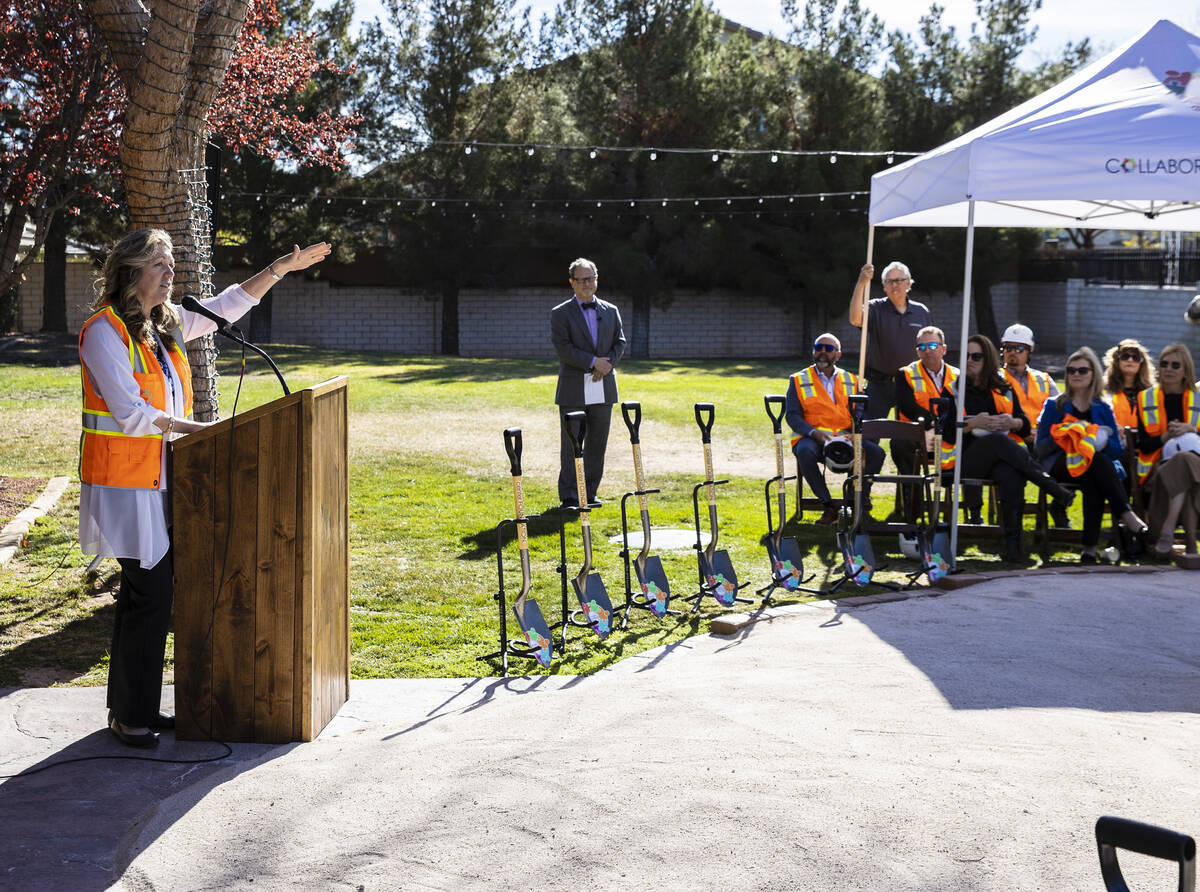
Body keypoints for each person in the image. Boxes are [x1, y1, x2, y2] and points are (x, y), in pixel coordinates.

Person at [79, 229, 331, 748]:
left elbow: (228, 305)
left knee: (141, 595)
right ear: (131, 270)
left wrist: (280, 267)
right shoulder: (103, 332)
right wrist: (209, 434)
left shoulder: (163, 326)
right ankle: (132, 716)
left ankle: (131, 710)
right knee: (152, 593)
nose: (172, 272)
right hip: (126, 485)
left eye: (172, 264)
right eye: (161, 264)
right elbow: (131, 415)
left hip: (166, 478)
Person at [941, 334, 1075, 562]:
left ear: (988, 359)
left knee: (1010, 473)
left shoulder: (1003, 387)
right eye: (966, 356)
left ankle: (1013, 548)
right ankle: (1050, 486)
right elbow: (945, 432)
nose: (970, 360)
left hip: (999, 460)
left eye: (976, 356)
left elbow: (1023, 425)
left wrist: (1011, 422)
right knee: (998, 441)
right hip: (964, 461)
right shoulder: (953, 390)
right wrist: (971, 424)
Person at [1035, 347, 1147, 563]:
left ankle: (1089, 549)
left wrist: (1098, 439)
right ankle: (1127, 516)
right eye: (1071, 370)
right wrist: (1065, 433)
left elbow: (1116, 450)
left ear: (1093, 373)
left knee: (1093, 472)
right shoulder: (1054, 405)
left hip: (1092, 469)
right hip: (1061, 464)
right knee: (1095, 462)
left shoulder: (1103, 408)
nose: (1076, 374)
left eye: (1082, 370)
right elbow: (1039, 450)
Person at [785, 333, 884, 525]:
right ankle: (828, 506)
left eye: (828, 349)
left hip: (846, 437)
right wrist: (814, 433)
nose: (822, 352)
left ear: (838, 355)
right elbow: (792, 415)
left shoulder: (852, 380)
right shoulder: (798, 379)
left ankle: (852, 503)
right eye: (818, 347)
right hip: (812, 438)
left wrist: (855, 434)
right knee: (804, 452)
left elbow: (861, 413)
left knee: (877, 453)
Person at [551, 257, 626, 508]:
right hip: (573, 387)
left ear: (597, 279)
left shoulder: (611, 311)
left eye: (591, 278)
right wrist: (593, 362)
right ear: (572, 283)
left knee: (597, 443)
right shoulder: (560, 313)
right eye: (581, 280)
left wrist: (606, 365)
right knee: (572, 442)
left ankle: (590, 492)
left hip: (603, 385)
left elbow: (620, 343)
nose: (587, 284)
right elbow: (563, 349)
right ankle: (570, 495)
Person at [1001, 323, 1068, 528]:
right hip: (1010, 441)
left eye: (1019, 348)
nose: (1013, 353)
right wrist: (1022, 430)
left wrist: (1041, 433)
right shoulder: (995, 378)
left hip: (1042, 440)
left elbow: (1061, 412)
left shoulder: (1045, 380)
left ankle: (1059, 505)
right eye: (1008, 348)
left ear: (1030, 351)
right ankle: (1013, 519)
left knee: (1066, 457)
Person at [1135, 344, 1200, 556]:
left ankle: (1167, 529)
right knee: (1183, 468)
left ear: (1185, 370)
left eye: (1175, 365)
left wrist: (1191, 430)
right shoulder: (1146, 398)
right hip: (1160, 467)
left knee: (1183, 460)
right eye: (1164, 364)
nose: (1168, 369)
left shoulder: (1199, 396)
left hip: (1197, 463)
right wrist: (1165, 437)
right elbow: (1142, 444)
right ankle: (1190, 544)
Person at [848, 261, 933, 422]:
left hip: (912, 384)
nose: (895, 285)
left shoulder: (921, 312)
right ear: (884, 286)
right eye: (889, 281)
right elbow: (854, 319)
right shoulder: (875, 308)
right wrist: (861, 283)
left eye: (899, 280)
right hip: (879, 384)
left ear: (908, 283)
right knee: (869, 434)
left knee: (911, 436)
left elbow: (931, 343)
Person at [894, 325, 958, 522]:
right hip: (918, 436)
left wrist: (942, 428)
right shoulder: (905, 374)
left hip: (952, 436)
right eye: (922, 347)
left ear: (943, 349)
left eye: (932, 345)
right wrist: (930, 427)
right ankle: (913, 504)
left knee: (977, 446)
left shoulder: (959, 376)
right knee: (898, 444)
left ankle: (973, 511)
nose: (928, 350)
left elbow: (963, 407)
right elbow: (907, 406)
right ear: (917, 351)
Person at [1102, 338, 1155, 431]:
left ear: (1141, 364)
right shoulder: (1103, 390)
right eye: (1125, 356)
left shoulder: (1151, 393)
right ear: (1116, 362)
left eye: (1136, 358)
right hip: (1115, 442)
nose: (1130, 360)